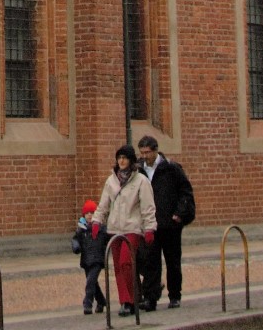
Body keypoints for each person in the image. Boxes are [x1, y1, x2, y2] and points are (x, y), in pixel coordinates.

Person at [135, 134, 194, 309]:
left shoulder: (171, 168)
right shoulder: (139, 170)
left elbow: (185, 191)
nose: (144, 156)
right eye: (142, 152)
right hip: (149, 224)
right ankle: (151, 297)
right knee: (150, 261)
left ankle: (175, 295)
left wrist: (180, 214)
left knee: (172, 261)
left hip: (170, 223)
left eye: (147, 152)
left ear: (155, 150)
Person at [94, 146, 155, 313]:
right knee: (118, 267)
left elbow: (148, 206)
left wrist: (149, 228)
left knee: (126, 262)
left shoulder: (140, 181)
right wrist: (96, 221)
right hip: (115, 228)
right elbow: (103, 204)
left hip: (132, 228)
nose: (121, 161)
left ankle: (131, 300)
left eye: (125, 158)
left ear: (131, 160)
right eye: (119, 158)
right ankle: (126, 301)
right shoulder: (111, 181)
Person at [72, 200, 107, 315]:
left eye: (92, 213)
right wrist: (76, 246)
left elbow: (107, 238)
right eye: (87, 213)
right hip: (86, 260)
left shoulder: (101, 229)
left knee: (90, 282)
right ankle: (101, 301)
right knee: (93, 283)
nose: (90, 215)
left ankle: (87, 303)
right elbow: (76, 239)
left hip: (97, 259)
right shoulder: (81, 230)